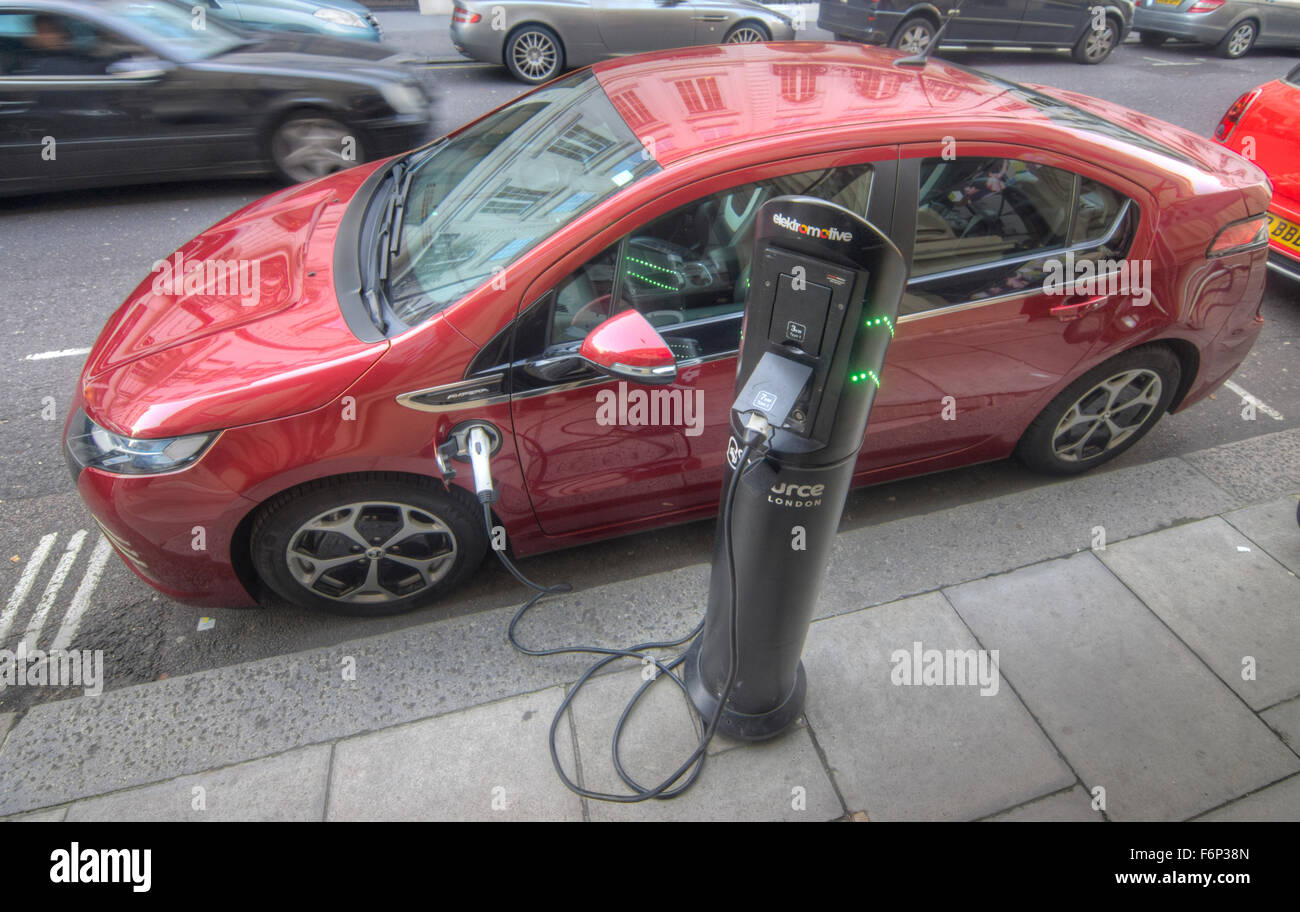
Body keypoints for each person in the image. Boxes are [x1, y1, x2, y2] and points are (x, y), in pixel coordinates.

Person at [18, 14, 106, 75]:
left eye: (61, 29)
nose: (62, 35)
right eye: (51, 31)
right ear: (35, 37)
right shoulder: (34, 67)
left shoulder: (76, 54)